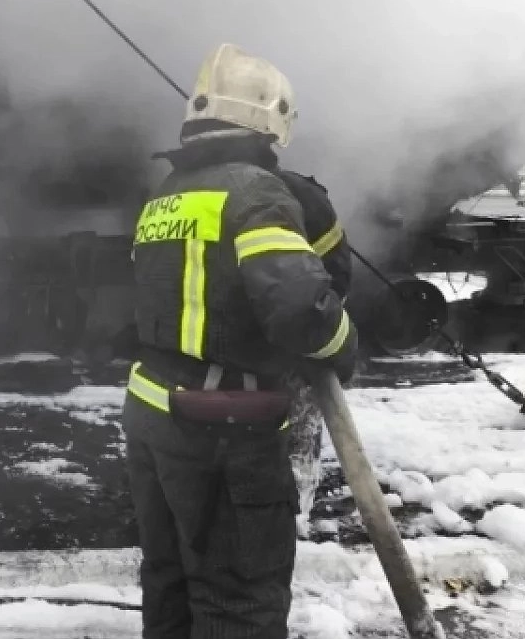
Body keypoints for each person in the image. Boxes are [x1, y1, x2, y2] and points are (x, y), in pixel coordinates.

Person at [124, 43, 358, 639]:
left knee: (171, 583)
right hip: (223, 432)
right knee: (238, 602)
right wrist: (344, 348)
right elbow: (303, 311)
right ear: (274, 118)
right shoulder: (256, 192)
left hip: (154, 414)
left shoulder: (167, 194)